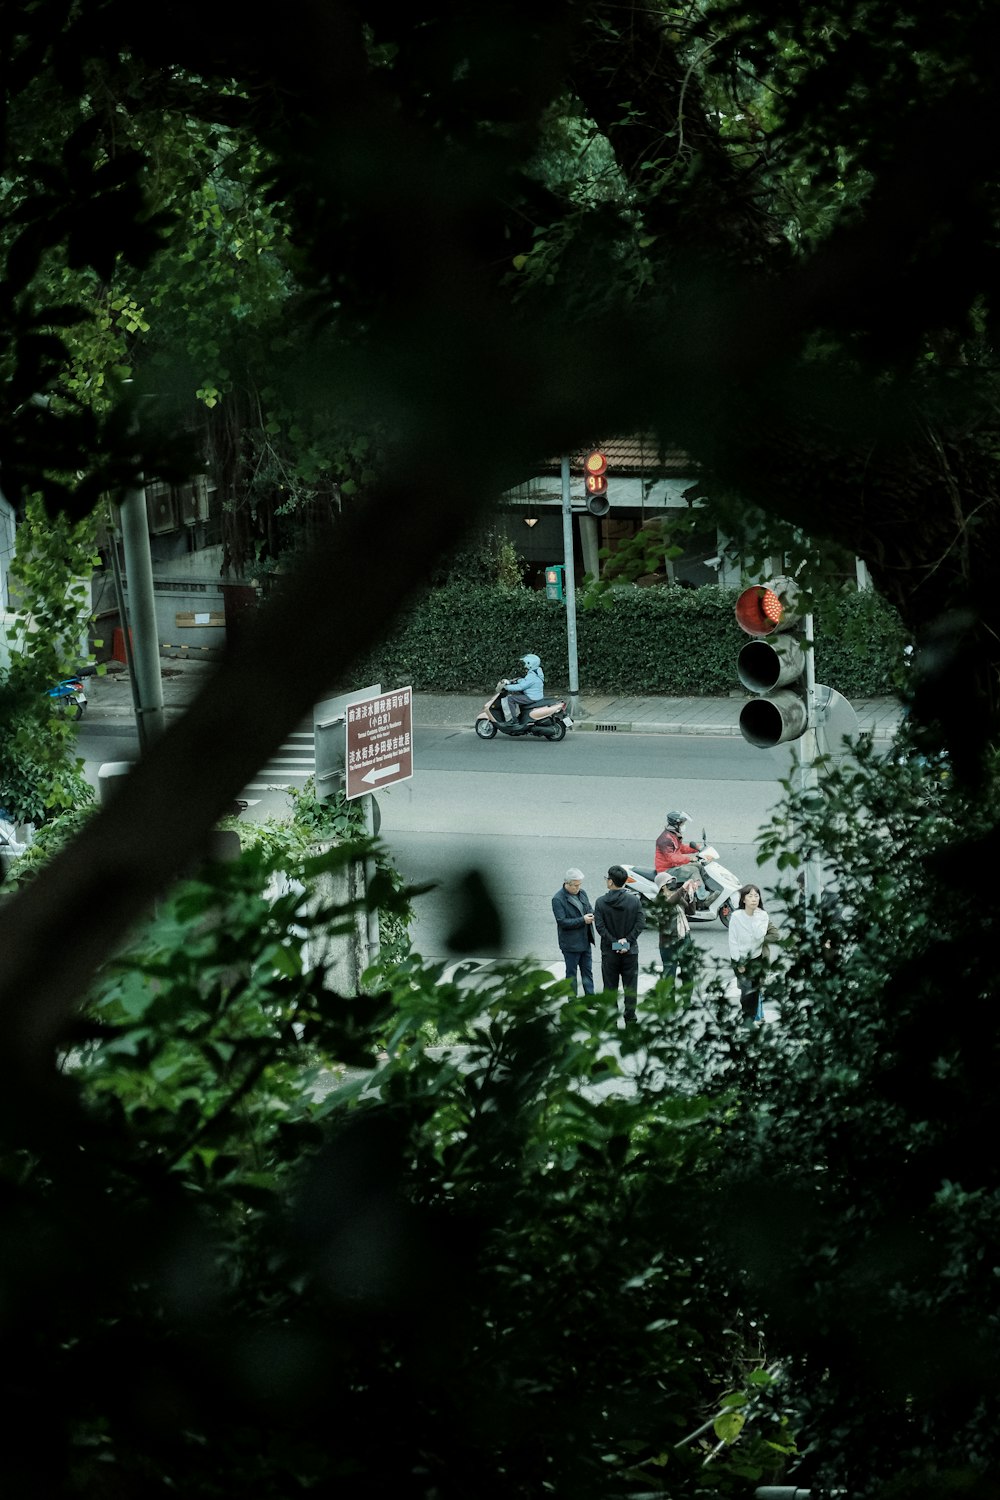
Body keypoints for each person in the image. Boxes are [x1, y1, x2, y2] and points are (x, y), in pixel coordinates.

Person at [593, 864, 646, 1025]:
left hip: (610, 952)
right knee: (630, 987)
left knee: (610, 987)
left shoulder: (601, 902)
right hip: (630, 951)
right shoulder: (634, 901)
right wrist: (627, 941)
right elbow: (640, 923)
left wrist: (615, 943)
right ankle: (630, 1017)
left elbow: (600, 927)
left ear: (611, 882)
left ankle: (612, 1020)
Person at [728, 883, 779, 1025]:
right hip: (740, 958)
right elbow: (733, 941)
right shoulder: (736, 916)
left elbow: (759, 935)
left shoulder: (762, 915)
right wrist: (739, 963)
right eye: (750, 896)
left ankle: (750, 1020)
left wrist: (755, 915)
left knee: (755, 991)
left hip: (757, 959)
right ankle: (747, 1020)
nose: (754, 899)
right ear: (743, 899)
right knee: (746, 991)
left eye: (756, 896)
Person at [551, 867, 596, 995]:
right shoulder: (558, 899)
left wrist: (592, 915)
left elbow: (588, 908)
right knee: (571, 974)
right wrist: (582, 920)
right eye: (575, 885)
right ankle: (572, 1001)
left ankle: (590, 998)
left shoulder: (582, 893)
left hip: (585, 940)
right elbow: (562, 922)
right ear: (567, 884)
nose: (578, 888)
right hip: (570, 944)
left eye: (579, 885)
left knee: (587, 971)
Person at [653, 872, 698, 977]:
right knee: (669, 974)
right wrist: (682, 889)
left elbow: (691, 912)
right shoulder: (658, 901)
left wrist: (692, 895)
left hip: (684, 938)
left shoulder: (677, 897)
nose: (673, 884)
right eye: (669, 882)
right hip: (668, 942)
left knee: (688, 972)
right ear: (663, 887)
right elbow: (669, 904)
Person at [654, 809, 702, 885]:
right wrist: (690, 858)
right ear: (676, 824)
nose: (684, 826)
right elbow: (672, 858)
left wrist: (698, 848)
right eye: (682, 824)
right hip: (666, 870)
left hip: (674, 866)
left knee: (700, 867)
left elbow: (681, 848)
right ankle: (702, 895)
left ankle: (696, 889)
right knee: (694, 870)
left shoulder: (672, 835)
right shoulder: (665, 839)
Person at [503, 652, 544, 722]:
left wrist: (507, 687)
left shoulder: (532, 676)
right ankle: (522, 716)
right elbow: (526, 682)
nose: (524, 665)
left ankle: (514, 719)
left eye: (525, 663)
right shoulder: (536, 673)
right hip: (535, 696)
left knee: (510, 699)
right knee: (518, 696)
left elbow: (521, 687)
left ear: (529, 664)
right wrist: (518, 680)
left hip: (532, 697)